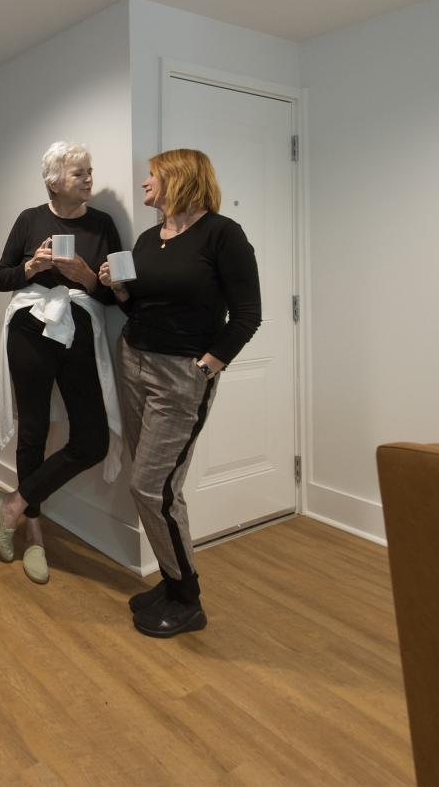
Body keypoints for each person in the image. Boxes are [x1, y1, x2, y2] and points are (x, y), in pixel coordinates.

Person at [98, 148, 261, 638]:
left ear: (178, 178)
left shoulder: (223, 235)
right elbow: (139, 306)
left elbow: (248, 315)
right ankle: (171, 583)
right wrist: (119, 290)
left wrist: (206, 368)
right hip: (133, 361)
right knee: (147, 479)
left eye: (152, 175)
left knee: (153, 486)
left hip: (180, 375)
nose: (145, 183)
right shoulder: (150, 239)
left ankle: (187, 598)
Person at [0, 141, 123, 584]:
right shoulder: (30, 219)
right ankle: (35, 534)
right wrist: (32, 266)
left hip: (78, 329)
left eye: (89, 171)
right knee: (33, 430)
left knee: (92, 439)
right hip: (29, 330)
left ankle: (13, 503)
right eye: (78, 173)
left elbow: (118, 293)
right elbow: (1, 278)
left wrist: (87, 277)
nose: (88, 179)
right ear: (54, 181)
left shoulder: (102, 225)